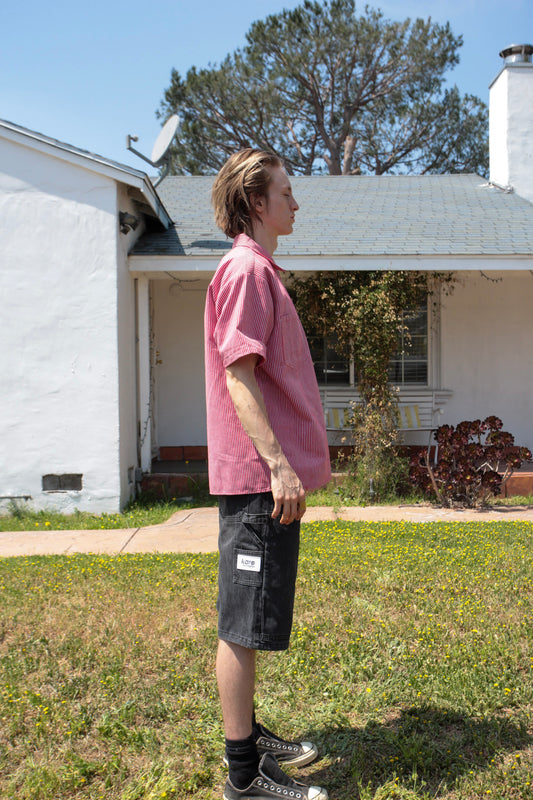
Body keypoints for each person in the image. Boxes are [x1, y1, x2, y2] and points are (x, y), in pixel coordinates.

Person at [204, 148, 332, 800]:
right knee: (240, 627)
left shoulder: (259, 271)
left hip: (267, 482)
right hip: (259, 482)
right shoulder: (246, 272)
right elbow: (237, 374)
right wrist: (277, 466)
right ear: (257, 202)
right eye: (285, 191)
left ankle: (249, 741)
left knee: (250, 623)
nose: (294, 201)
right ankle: (242, 778)